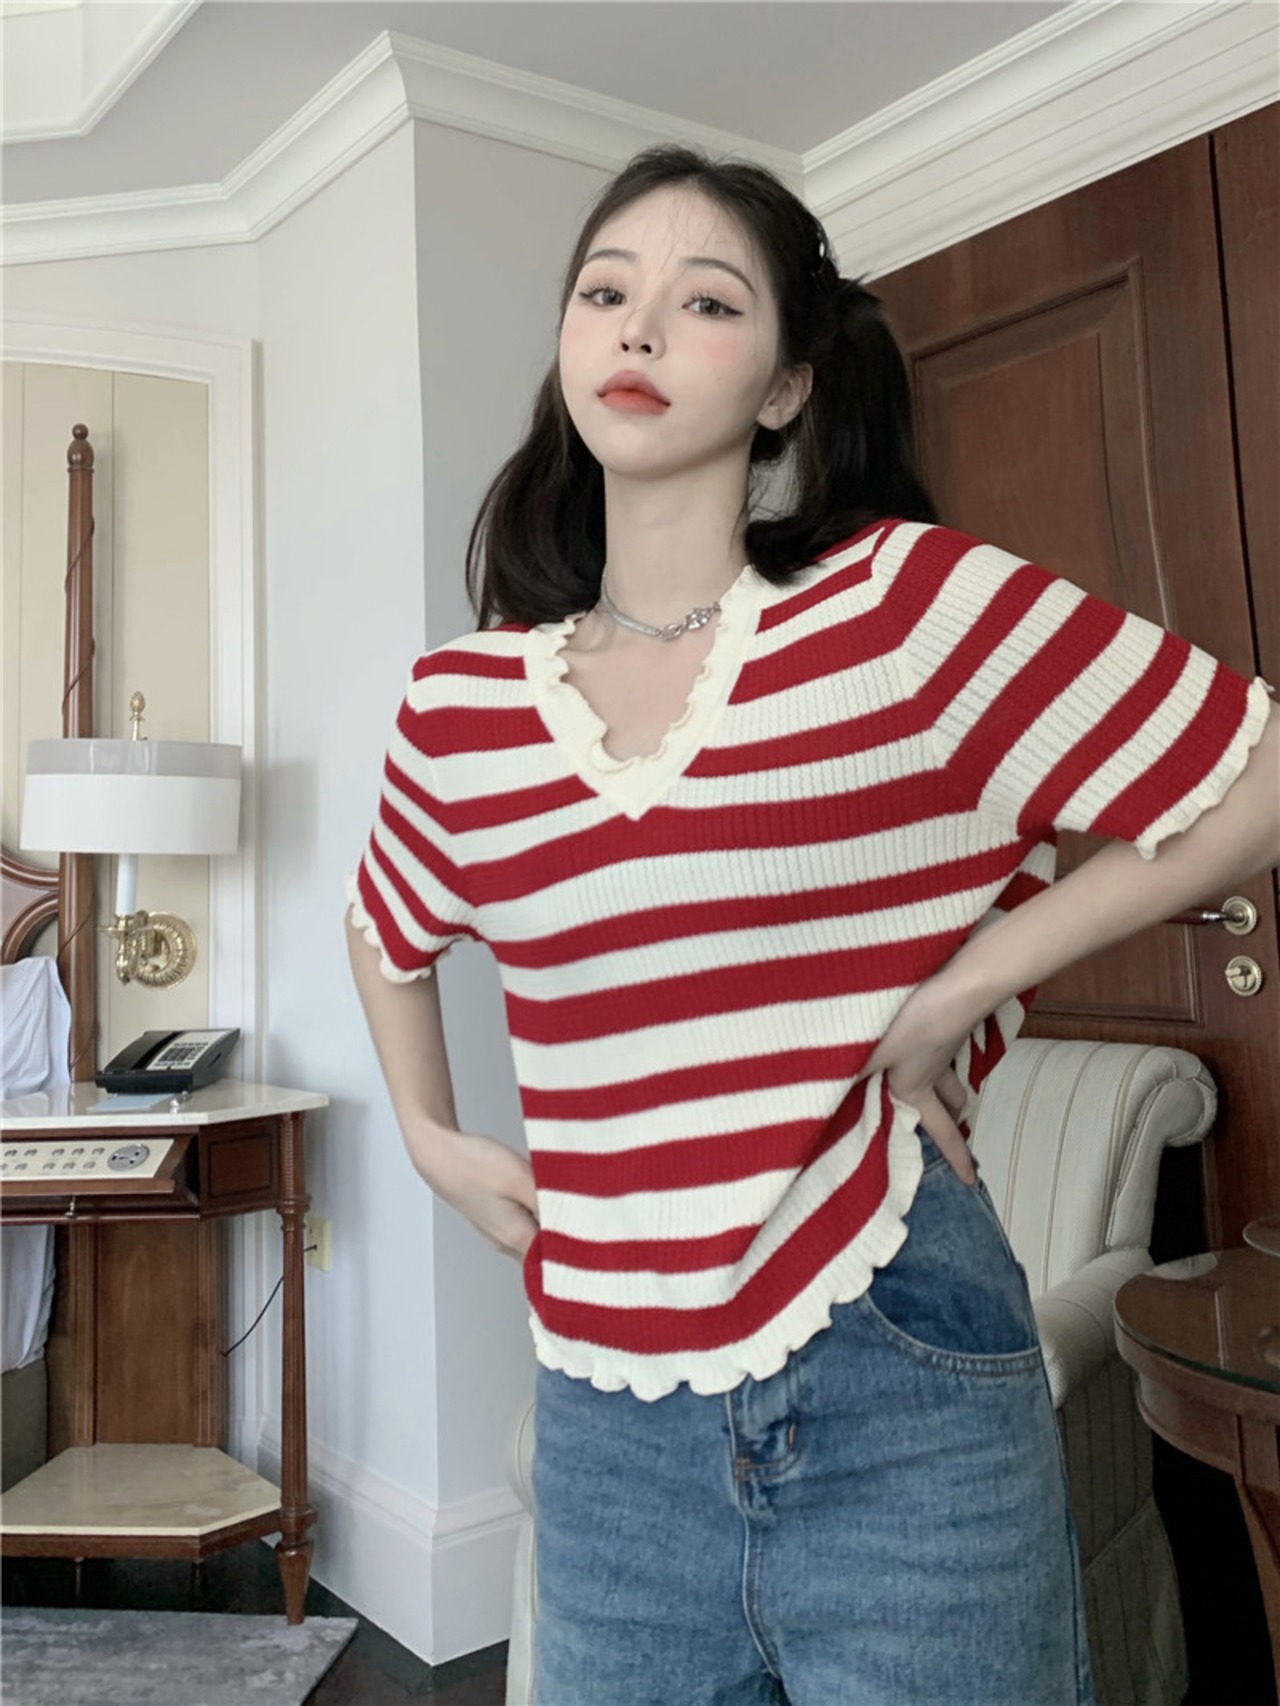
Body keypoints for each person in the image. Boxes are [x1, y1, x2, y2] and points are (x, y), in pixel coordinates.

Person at [346, 143, 1279, 1706]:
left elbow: (1256, 773)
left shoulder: (902, 610)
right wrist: (433, 1138)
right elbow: (386, 925)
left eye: (707, 301)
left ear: (786, 384)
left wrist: (967, 984)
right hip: (606, 1427)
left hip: (899, 1353)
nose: (641, 327)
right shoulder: (463, 708)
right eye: (605, 291)